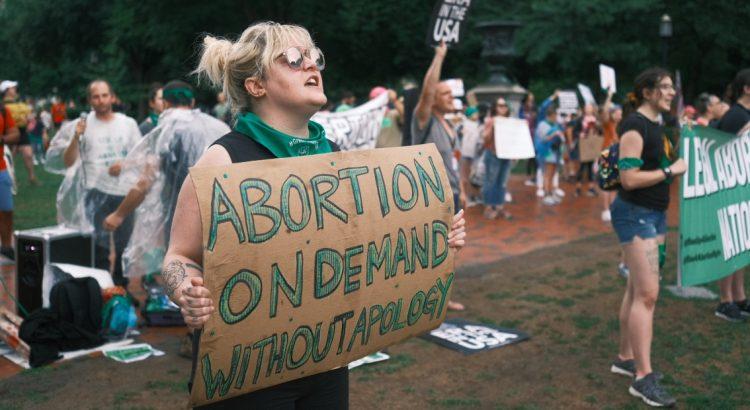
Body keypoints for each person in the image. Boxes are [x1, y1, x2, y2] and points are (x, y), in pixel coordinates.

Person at [609, 68, 686, 407]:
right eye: (665, 87)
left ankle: (625, 358)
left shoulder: (657, 126)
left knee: (636, 290)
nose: (671, 92)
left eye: (671, 87)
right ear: (647, 92)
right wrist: (671, 171)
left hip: (653, 215)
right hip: (635, 214)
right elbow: (628, 179)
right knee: (649, 295)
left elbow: (662, 158)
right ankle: (642, 377)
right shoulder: (634, 126)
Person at [102, 79, 230, 278]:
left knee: (189, 276)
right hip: (226, 214)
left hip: (186, 217)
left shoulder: (167, 130)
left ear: (165, 104)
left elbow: (145, 181)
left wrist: (119, 214)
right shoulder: (219, 127)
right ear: (193, 102)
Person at [57, 80, 142, 287]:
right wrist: (76, 137)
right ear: (89, 100)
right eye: (96, 96)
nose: (101, 100)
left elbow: (141, 156)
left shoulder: (127, 123)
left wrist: (125, 163)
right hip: (95, 192)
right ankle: (101, 288)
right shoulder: (83, 126)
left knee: (124, 245)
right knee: (99, 247)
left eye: (105, 95)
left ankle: (121, 288)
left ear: (112, 97)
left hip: (124, 193)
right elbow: (68, 162)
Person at [714, 68, 750, 322]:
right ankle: (724, 300)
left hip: (743, 187)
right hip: (731, 188)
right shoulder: (736, 116)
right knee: (731, 244)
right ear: (746, 89)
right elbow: (723, 152)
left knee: (742, 245)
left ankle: (740, 297)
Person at [481, 97, 513, 219]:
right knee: (490, 181)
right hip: (493, 154)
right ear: (495, 107)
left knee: (502, 182)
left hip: (506, 155)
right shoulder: (490, 121)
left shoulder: (510, 121)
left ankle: (499, 206)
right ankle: (489, 207)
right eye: (500, 105)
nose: (503, 107)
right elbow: (485, 139)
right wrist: (493, 127)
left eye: (505, 105)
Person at [1, 81, 37, 185]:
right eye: (12, 88)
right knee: (9, 157)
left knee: (29, 154)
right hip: (9, 132)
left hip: (22, 131)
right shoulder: (3, 106)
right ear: (6, 91)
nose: (15, 89)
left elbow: (28, 115)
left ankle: (32, 177)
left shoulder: (20, 104)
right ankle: (12, 179)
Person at [0, 100, 19, 259]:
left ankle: (6, 247)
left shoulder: (3, 110)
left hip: (1, 169)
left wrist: (2, 139)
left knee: (6, 210)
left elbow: (15, 134)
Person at [535, 106, 565, 206]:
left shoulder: (556, 125)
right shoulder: (543, 125)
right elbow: (543, 139)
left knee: (553, 173)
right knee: (548, 174)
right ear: (551, 115)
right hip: (547, 152)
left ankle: (551, 193)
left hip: (556, 152)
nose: (557, 117)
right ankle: (547, 194)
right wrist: (554, 134)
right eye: (555, 115)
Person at [458, 106, 482, 208]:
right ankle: (464, 195)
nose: (476, 115)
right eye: (474, 113)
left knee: (474, 176)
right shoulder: (463, 123)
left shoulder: (479, 125)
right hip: (464, 153)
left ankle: (474, 196)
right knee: (464, 176)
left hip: (475, 154)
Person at [519, 92, 537, 186]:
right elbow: (520, 119)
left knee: (533, 157)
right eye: (529, 99)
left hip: (533, 135)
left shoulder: (534, 109)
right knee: (529, 157)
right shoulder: (522, 109)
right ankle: (529, 176)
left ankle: (534, 176)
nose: (531, 101)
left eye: (532, 99)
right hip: (526, 135)